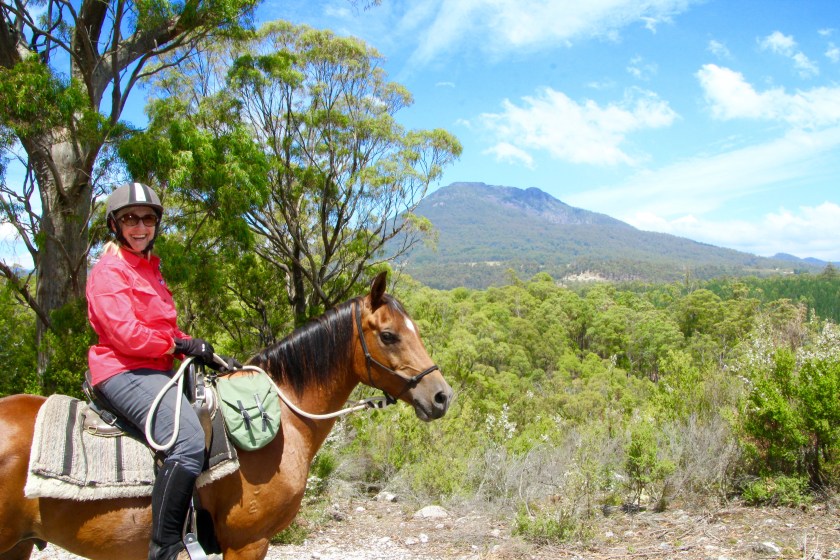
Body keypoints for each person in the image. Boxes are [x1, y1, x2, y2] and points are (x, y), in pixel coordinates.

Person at [87, 182, 214, 560]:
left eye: (147, 219)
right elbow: (125, 334)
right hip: (123, 370)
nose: (140, 227)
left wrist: (199, 346)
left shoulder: (150, 269)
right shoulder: (109, 271)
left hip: (157, 368)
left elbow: (164, 327)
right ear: (115, 225)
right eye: (130, 219)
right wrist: (177, 346)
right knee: (187, 441)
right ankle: (166, 548)